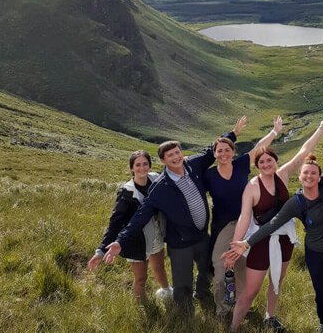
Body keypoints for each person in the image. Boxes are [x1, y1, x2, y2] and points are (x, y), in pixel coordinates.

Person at [225, 114, 323, 333]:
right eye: (305, 174)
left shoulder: (315, 182)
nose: (310, 176)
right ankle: (322, 325)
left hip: (321, 247)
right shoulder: (285, 198)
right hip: (292, 247)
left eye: (313, 173)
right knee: (312, 294)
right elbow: (267, 222)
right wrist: (242, 243)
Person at [103, 120, 244, 314]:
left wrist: (233, 133)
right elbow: (141, 215)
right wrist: (119, 241)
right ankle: (185, 314)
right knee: (182, 282)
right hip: (181, 243)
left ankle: (202, 294)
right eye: (170, 155)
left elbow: (211, 151)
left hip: (202, 235)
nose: (176, 157)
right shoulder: (160, 188)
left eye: (177, 152)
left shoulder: (193, 164)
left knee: (208, 269)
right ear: (163, 161)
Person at [225, 119, 323, 333]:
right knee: (250, 291)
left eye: (269, 161)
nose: (266, 165)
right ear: (257, 166)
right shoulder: (252, 187)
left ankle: (271, 317)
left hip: (284, 239)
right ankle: (233, 328)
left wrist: (320, 130)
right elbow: (244, 218)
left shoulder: (283, 176)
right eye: (262, 163)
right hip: (259, 242)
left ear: (275, 162)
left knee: (276, 281)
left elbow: (304, 152)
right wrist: (235, 247)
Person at [204, 115, 283, 319]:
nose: (223, 153)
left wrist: (274, 132)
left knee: (241, 270)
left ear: (233, 152)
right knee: (220, 270)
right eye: (219, 150)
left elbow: (259, 147)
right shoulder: (209, 175)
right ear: (214, 154)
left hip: (248, 225)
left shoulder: (240, 165)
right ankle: (222, 309)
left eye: (227, 150)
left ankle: (240, 306)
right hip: (223, 226)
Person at [87, 150, 170, 303]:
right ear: (131, 168)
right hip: (135, 241)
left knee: (159, 267)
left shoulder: (156, 179)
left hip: (156, 235)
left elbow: (172, 169)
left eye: (145, 164)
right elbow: (115, 222)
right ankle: (144, 307)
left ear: (150, 166)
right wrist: (101, 250)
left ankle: (167, 292)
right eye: (137, 165)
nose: (142, 168)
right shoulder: (126, 192)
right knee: (141, 278)